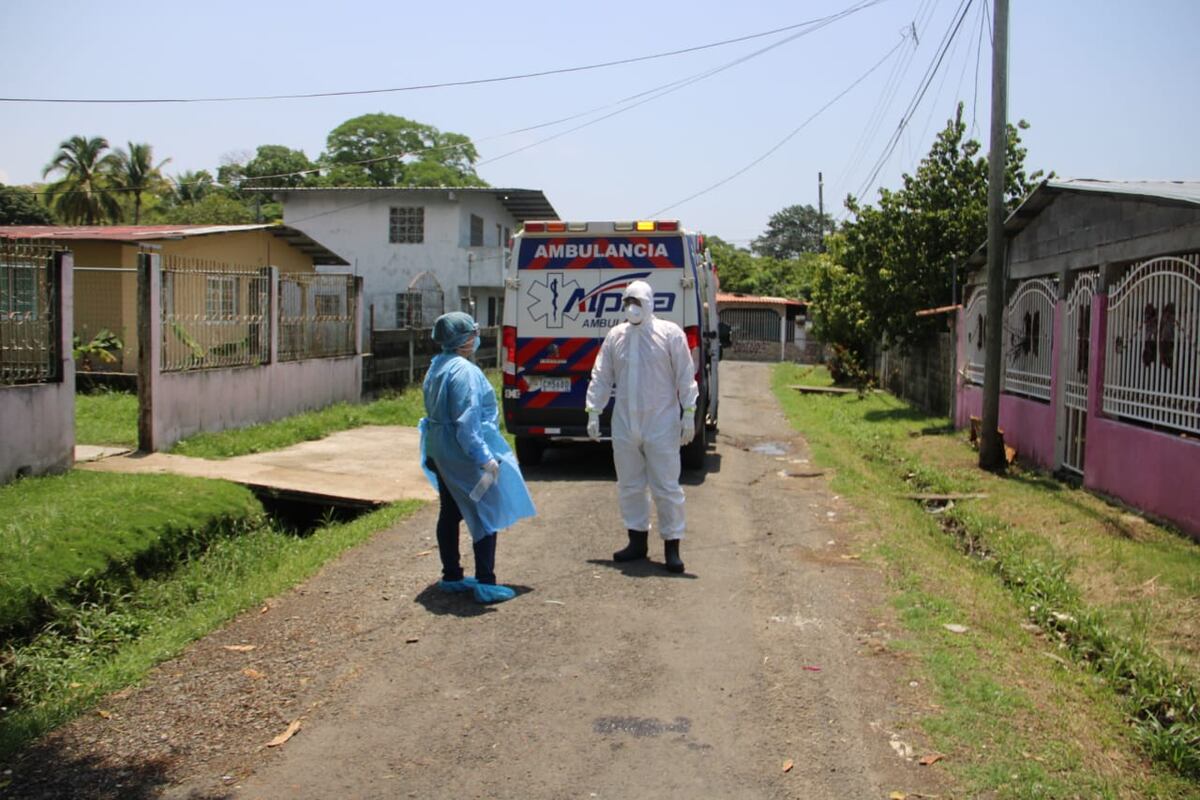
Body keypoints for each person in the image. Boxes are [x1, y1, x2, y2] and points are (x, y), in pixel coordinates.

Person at [420, 312, 536, 603]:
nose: (476, 337)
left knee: (450, 511)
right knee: (485, 513)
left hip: (439, 448)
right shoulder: (464, 372)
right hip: (461, 453)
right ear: (463, 339)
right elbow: (467, 421)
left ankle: (452, 575)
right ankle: (486, 582)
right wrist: (483, 457)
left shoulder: (438, 365)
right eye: (472, 332)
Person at [585, 280, 699, 573]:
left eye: (637, 301)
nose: (632, 307)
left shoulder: (670, 334)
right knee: (629, 485)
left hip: (661, 422)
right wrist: (594, 411)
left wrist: (689, 412)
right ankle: (637, 542)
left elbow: (685, 375)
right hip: (625, 423)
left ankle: (672, 546)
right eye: (627, 302)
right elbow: (601, 374)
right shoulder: (616, 336)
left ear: (650, 302)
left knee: (666, 486)